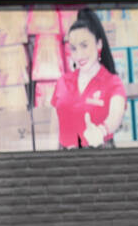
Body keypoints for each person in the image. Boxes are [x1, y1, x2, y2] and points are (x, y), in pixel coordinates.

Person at [52, 8, 127, 149]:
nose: (79, 55)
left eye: (84, 46)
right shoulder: (62, 82)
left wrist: (101, 131)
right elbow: (54, 128)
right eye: (73, 48)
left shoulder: (112, 82)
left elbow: (115, 116)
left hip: (100, 159)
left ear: (99, 44)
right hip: (65, 160)